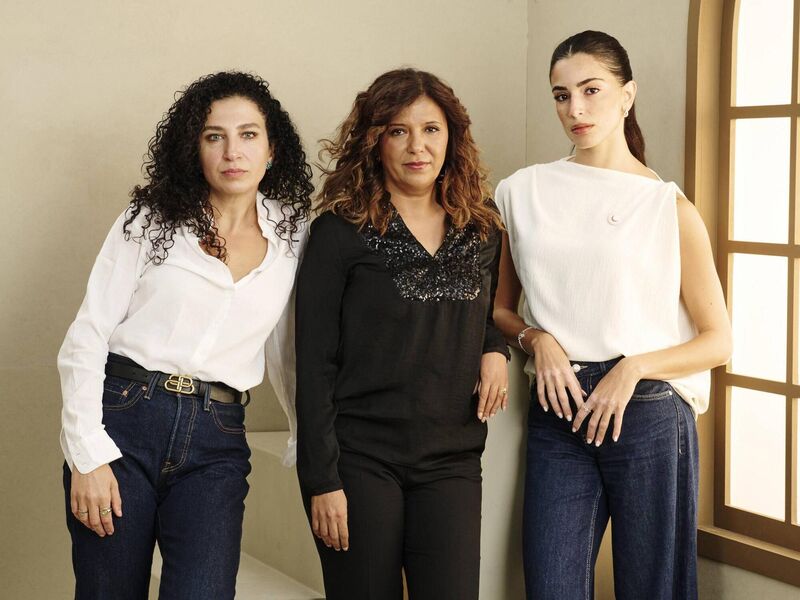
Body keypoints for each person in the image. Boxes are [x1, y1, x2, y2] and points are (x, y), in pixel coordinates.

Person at [493, 31, 732, 600]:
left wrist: (631, 369)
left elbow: (718, 340)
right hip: (559, 411)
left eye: (591, 90)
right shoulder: (520, 192)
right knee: (550, 586)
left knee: (655, 588)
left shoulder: (666, 206)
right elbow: (499, 308)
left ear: (627, 96)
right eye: (560, 95)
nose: (574, 109)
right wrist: (535, 338)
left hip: (647, 411)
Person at [58, 71, 313, 600]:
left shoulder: (293, 234)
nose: (232, 151)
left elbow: (287, 347)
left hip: (217, 439)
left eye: (248, 135)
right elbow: (87, 334)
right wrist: (87, 453)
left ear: (272, 149)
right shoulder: (151, 219)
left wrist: (303, 438)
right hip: (123, 419)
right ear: (193, 148)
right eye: (213, 135)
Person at [295, 68, 509, 600]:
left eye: (431, 130)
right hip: (360, 458)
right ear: (374, 142)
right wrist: (322, 480)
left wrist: (495, 349)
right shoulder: (338, 233)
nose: (418, 146)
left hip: (453, 459)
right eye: (398, 131)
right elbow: (314, 363)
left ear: (452, 138)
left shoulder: (482, 230)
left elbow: (488, 314)